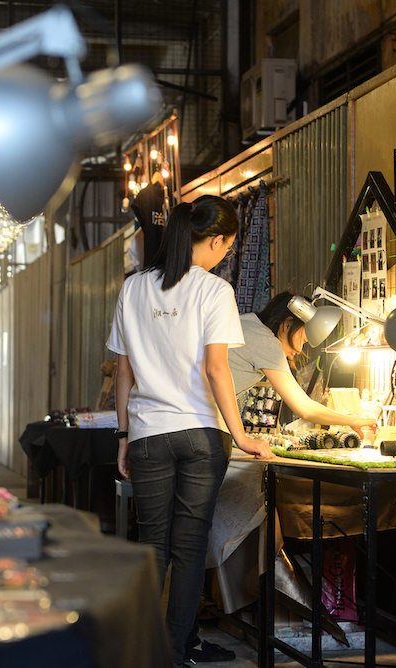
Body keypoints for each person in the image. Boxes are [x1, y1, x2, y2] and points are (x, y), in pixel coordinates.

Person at [107, 194, 273, 667]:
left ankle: (142, 651)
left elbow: (123, 372)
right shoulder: (214, 290)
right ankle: (175, 654)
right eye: (228, 246)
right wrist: (242, 436)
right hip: (201, 434)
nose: (226, 254)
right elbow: (217, 369)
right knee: (189, 546)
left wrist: (123, 436)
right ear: (215, 240)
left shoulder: (134, 288)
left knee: (152, 544)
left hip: (147, 433)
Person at [230, 291, 377, 436]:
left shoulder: (249, 323)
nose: (299, 350)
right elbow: (305, 408)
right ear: (287, 325)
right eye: (303, 340)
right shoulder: (267, 343)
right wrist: (353, 421)